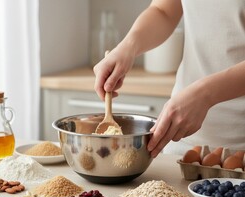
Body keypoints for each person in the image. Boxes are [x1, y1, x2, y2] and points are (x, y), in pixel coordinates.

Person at [93, 0, 245, 158]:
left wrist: (206, 93)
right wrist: (128, 47)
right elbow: (163, 11)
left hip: (240, 142)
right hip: (182, 141)